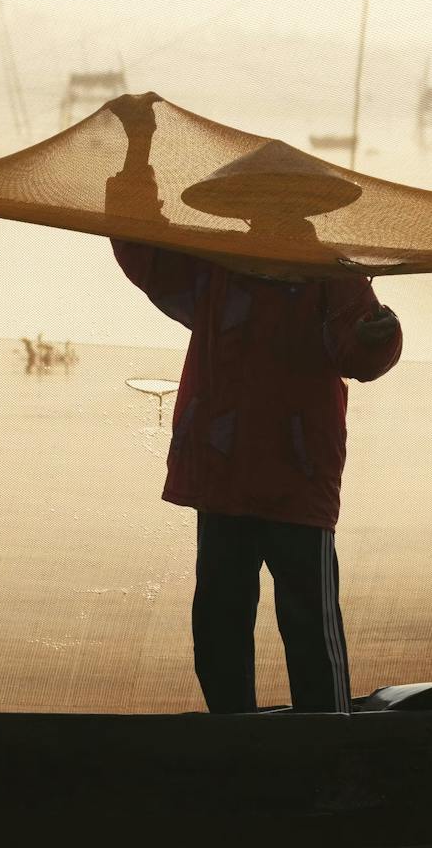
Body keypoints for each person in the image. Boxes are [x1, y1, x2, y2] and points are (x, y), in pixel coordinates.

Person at [103, 93, 402, 714]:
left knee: (309, 624)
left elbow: (359, 352)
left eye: (284, 206)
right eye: (261, 207)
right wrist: (138, 146)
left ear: (305, 210)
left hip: (296, 478)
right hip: (222, 472)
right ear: (243, 213)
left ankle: (327, 740)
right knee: (218, 619)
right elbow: (141, 244)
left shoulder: (333, 274)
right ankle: (233, 735)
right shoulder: (220, 272)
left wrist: (381, 332)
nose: (271, 218)